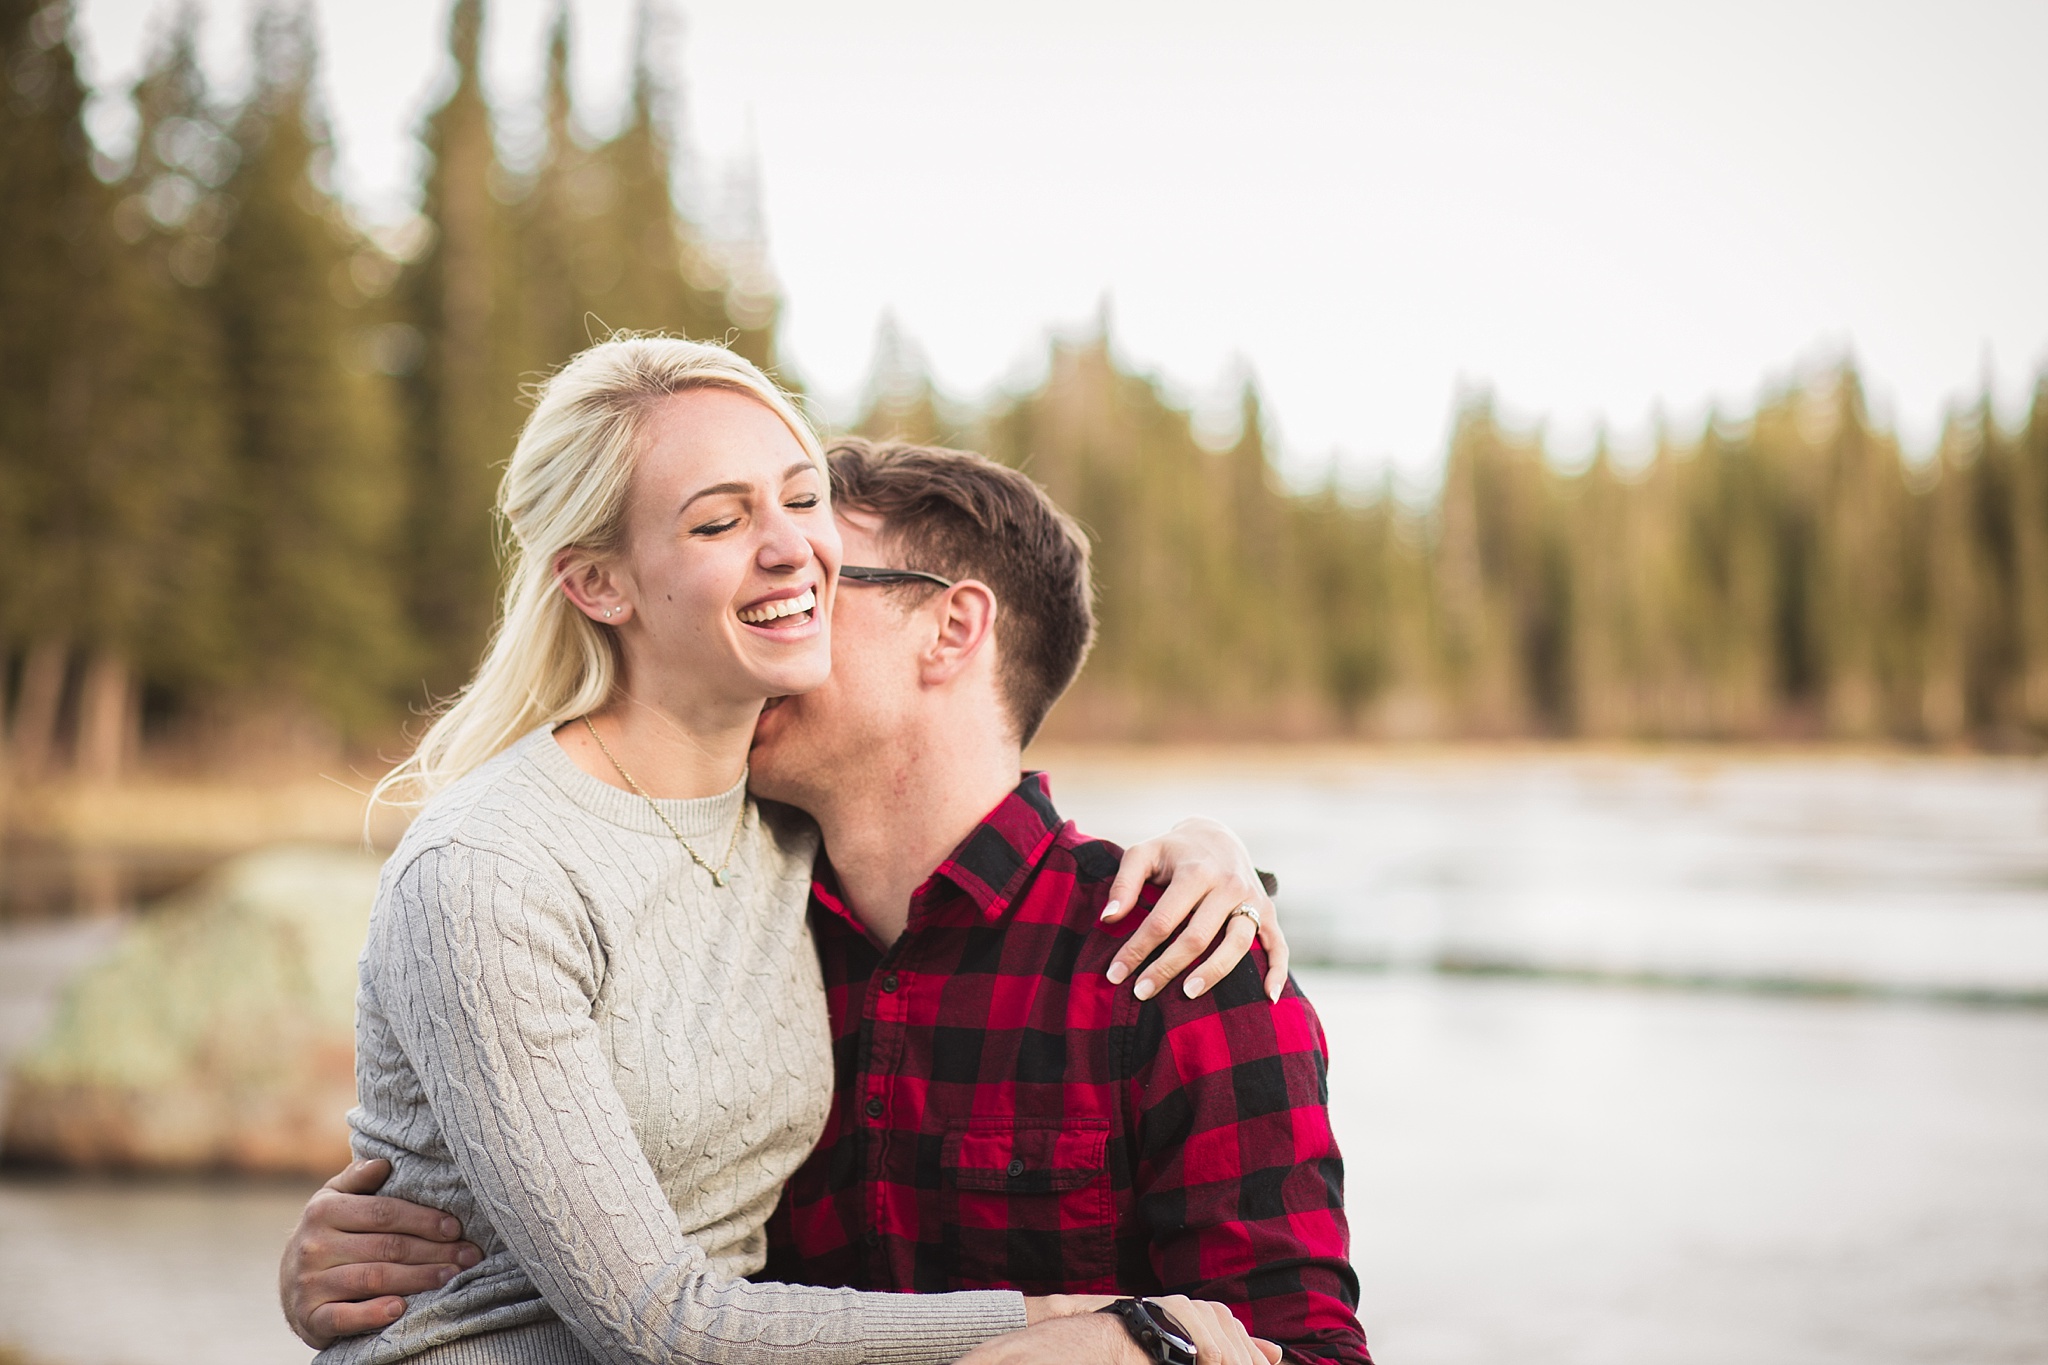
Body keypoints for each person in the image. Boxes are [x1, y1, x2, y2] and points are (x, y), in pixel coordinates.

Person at [286, 426, 1370, 1365]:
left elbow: (1305, 1348)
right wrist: (360, 1251)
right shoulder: (715, 913)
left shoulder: (1173, 968)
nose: (773, 617)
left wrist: (1141, 1346)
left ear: (952, 630)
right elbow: (598, 1236)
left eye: (817, 585)